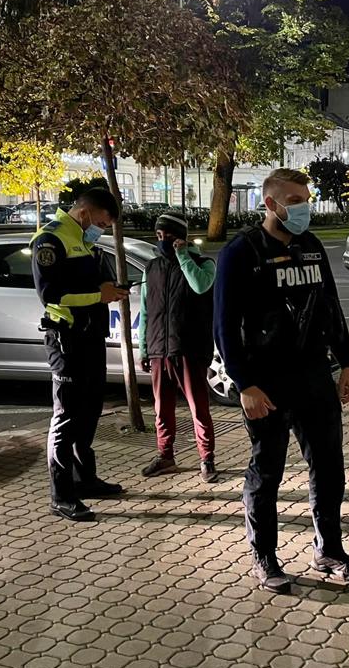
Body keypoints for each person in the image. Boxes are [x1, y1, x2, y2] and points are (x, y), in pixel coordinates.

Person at [214, 168, 349, 593]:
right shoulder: (241, 252)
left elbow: (330, 307)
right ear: (270, 204)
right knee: (267, 473)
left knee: (329, 468)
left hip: (314, 377)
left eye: (306, 199)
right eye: (295, 201)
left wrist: (347, 362)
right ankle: (265, 557)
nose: (304, 208)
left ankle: (329, 550)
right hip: (267, 383)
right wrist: (244, 383)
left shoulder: (311, 246)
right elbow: (223, 326)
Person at [32, 187, 129, 522]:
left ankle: (85, 479)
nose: (100, 230)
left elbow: (92, 283)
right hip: (66, 340)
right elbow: (51, 295)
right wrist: (97, 296)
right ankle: (61, 496)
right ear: (85, 212)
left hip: (91, 337)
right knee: (67, 416)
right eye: (100, 223)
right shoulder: (50, 240)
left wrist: (109, 289)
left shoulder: (84, 242)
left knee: (90, 411)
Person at [138, 212, 218, 482]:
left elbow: (200, 286)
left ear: (180, 237)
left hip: (189, 349)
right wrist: (144, 348)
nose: (162, 240)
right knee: (162, 409)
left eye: (168, 235)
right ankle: (165, 456)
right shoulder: (152, 268)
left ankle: (206, 458)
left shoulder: (204, 264)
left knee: (198, 408)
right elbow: (146, 311)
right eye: (158, 235)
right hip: (159, 348)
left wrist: (183, 256)